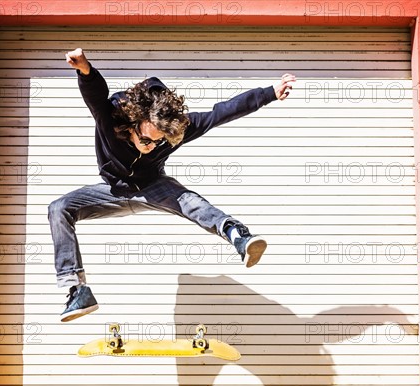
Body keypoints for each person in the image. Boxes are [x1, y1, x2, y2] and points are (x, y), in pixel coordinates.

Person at [49, 48, 296, 322]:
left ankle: (238, 236)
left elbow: (221, 112)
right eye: (146, 140)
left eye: (159, 142)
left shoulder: (174, 130)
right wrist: (85, 69)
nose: (151, 147)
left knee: (190, 202)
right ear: (133, 123)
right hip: (113, 191)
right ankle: (77, 290)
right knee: (59, 208)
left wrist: (269, 93)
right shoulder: (111, 118)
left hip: (153, 185)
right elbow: (96, 94)